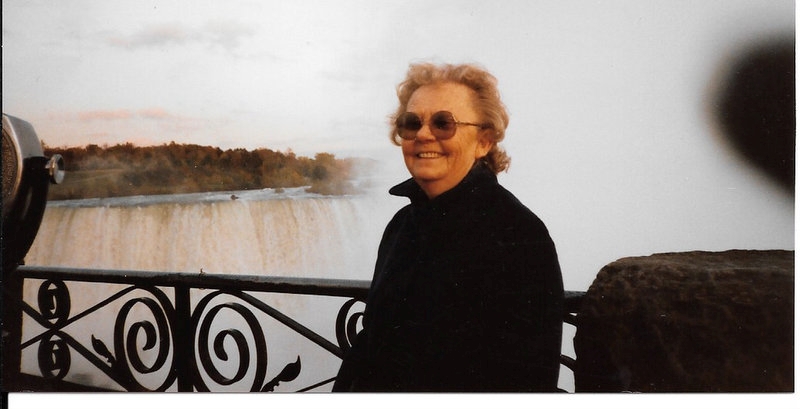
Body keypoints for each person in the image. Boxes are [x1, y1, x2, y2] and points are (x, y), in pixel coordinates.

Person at [333, 62, 564, 392]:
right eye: (411, 123)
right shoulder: (401, 225)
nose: (424, 134)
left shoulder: (518, 235)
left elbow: (524, 381)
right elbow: (371, 343)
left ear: (483, 142)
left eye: (444, 123)